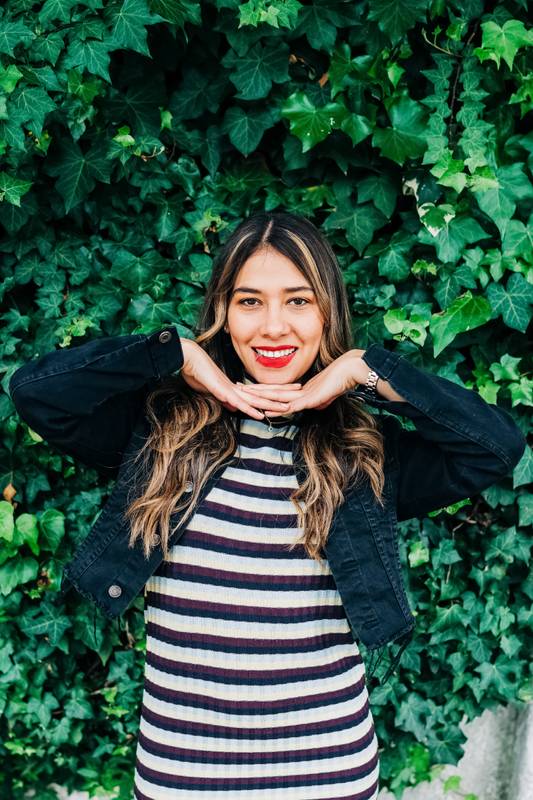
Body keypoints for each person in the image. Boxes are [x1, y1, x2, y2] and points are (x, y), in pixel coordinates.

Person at [9, 211, 526, 800]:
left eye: (299, 301)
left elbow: (497, 445)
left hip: (329, 776)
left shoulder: (365, 456)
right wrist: (174, 356)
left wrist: (366, 370)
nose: (273, 326)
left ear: (327, 310)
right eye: (250, 301)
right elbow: (34, 393)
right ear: (224, 314)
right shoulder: (159, 434)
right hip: (183, 777)